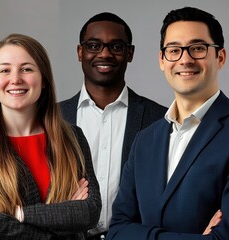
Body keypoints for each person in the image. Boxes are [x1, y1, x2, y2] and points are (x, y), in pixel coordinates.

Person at [0, 33, 101, 239]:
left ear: (44, 80)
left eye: (27, 69)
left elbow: (89, 213)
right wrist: (62, 221)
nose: (15, 79)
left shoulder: (73, 137)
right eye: (5, 70)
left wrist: (16, 212)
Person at [108, 6, 229, 239]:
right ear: (162, 60)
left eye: (198, 48)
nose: (185, 60)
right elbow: (116, 229)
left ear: (220, 57)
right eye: (174, 50)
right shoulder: (145, 140)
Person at [59, 12, 167, 240]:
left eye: (116, 46)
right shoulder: (52, 118)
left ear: (130, 53)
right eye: (94, 45)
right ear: (80, 52)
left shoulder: (160, 119)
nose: (105, 53)